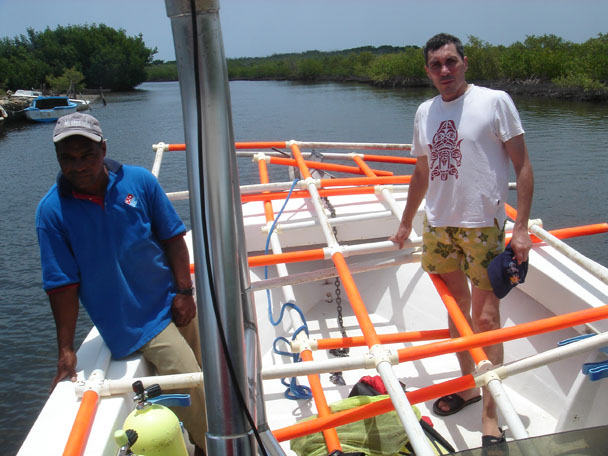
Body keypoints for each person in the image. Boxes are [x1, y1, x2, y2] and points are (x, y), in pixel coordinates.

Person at [390, 33, 534, 449]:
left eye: (451, 61)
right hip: (439, 226)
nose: (444, 71)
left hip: (482, 227)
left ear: (465, 62)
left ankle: (492, 414)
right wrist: (404, 223)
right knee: (456, 314)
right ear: (427, 71)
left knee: (485, 321)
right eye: (436, 65)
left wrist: (520, 227)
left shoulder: (494, 102)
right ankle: (471, 387)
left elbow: (523, 166)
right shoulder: (424, 111)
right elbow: (422, 172)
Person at [36, 112, 207, 455]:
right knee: (189, 377)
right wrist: (66, 348)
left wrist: (184, 291)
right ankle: (213, 446)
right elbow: (62, 285)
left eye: (87, 155)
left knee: (211, 364)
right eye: (67, 158)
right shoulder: (52, 211)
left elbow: (173, 237)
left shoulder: (139, 181)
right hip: (135, 323)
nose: (78, 166)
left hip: (174, 297)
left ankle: (219, 429)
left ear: (103, 149)